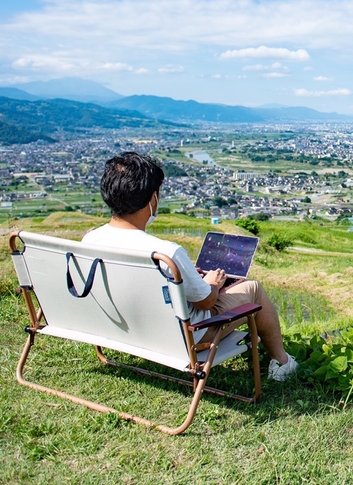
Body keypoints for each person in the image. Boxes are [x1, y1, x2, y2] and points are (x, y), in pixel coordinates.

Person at [82, 151, 297, 381]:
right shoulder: (165, 253)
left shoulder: (90, 240)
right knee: (253, 289)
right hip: (182, 337)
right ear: (152, 199)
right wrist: (212, 283)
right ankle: (282, 362)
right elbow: (206, 301)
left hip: (123, 327)